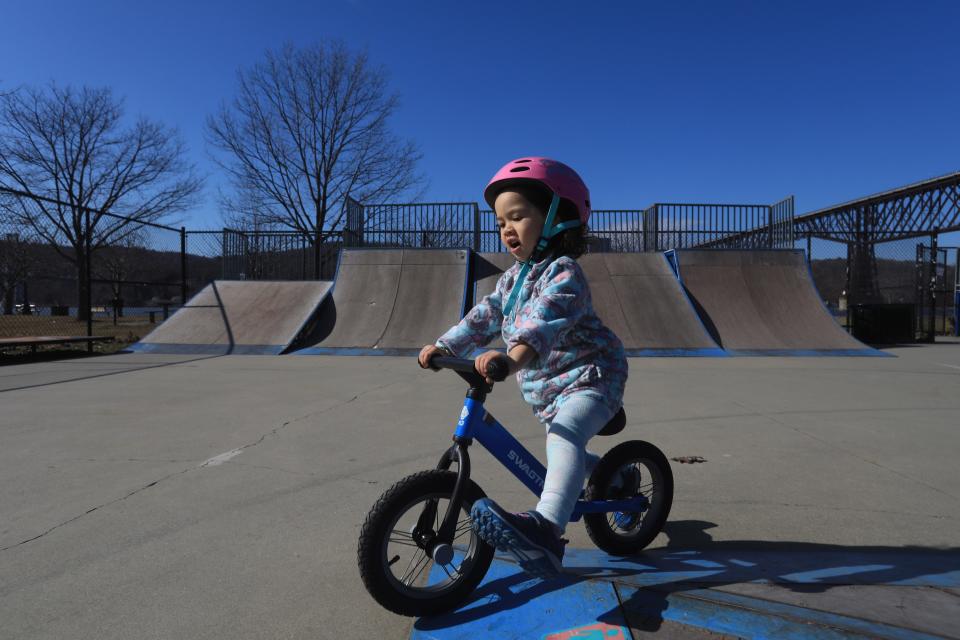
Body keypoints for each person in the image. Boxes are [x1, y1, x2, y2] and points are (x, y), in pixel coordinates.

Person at [418, 157, 629, 578]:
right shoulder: (513, 279)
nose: (507, 229)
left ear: (558, 218)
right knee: (562, 444)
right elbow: (485, 315)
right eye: (500, 222)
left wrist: (511, 359)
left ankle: (547, 531)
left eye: (518, 216)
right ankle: (615, 479)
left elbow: (542, 323)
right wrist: (444, 345)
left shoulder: (564, 274)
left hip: (592, 375)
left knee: (563, 436)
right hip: (549, 386)